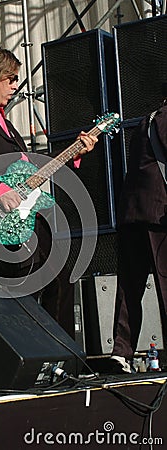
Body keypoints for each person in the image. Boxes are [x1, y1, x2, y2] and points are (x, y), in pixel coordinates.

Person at [0, 45, 97, 335]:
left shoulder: (8, 125)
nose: (16, 86)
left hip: (29, 216)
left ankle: (61, 357)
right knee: (21, 282)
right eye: (11, 78)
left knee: (60, 279)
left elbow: (31, 174)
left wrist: (75, 152)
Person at [109, 87, 167, 373]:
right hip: (158, 214)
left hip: (133, 211)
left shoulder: (147, 119)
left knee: (129, 288)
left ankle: (122, 352)